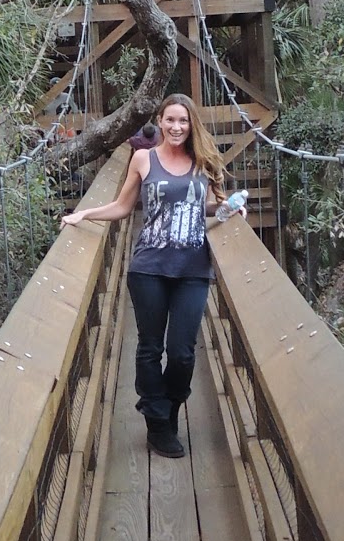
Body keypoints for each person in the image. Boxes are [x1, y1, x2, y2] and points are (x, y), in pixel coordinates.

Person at [60, 94, 242, 458]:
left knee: (182, 352)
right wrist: (84, 214)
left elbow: (200, 204)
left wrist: (226, 207)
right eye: (170, 120)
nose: (177, 127)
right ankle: (159, 425)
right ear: (159, 121)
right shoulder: (143, 158)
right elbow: (124, 206)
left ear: (192, 125)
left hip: (193, 268)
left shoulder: (202, 161)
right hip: (149, 269)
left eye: (183, 121)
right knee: (149, 347)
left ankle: (170, 408)